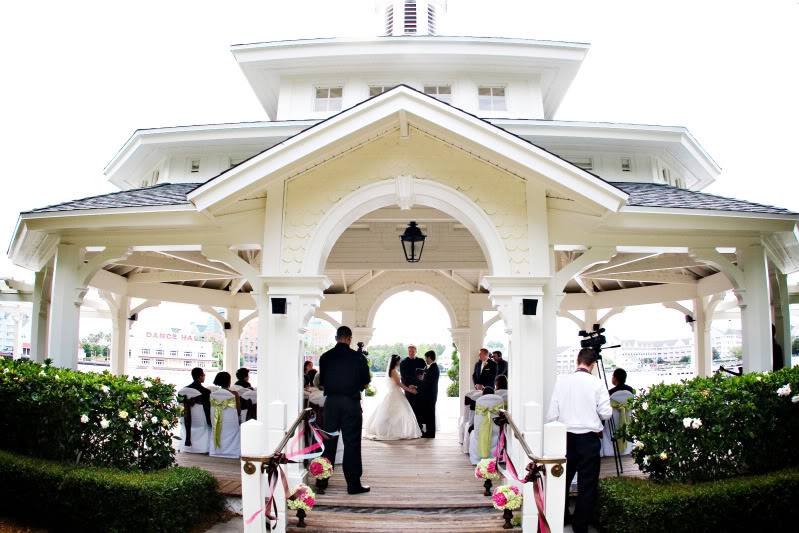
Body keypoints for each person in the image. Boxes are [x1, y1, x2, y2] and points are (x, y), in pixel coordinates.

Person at [546, 348, 612, 533]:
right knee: (587, 483)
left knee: (563, 480)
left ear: (577, 360)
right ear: (593, 365)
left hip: (566, 438)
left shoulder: (561, 381)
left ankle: (562, 516)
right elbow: (606, 413)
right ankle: (580, 525)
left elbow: (552, 414)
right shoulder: (597, 383)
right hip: (589, 439)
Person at [319, 326, 372, 495]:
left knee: (328, 442)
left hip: (331, 403)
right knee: (352, 444)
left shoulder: (325, 357)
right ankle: (353, 484)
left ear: (336, 338)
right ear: (349, 338)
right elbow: (365, 382)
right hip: (351, 403)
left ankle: (322, 480)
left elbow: (321, 382)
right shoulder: (358, 357)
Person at [364, 354, 422, 441]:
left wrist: (409, 386)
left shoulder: (393, 370)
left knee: (396, 413)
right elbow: (399, 384)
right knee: (397, 412)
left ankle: (396, 430)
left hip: (395, 392)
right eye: (399, 361)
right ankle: (392, 431)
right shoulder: (393, 371)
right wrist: (410, 390)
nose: (400, 362)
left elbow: (399, 383)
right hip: (395, 393)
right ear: (396, 361)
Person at [399, 345, 426, 428]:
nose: (411, 353)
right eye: (410, 351)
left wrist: (419, 385)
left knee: (420, 406)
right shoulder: (403, 362)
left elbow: (425, 373)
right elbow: (403, 376)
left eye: (413, 351)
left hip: (419, 388)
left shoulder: (421, 361)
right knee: (410, 406)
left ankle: (420, 425)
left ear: (416, 351)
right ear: (408, 352)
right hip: (409, 388)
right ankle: (411, 426)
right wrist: (409, 386)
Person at [418, 350, 440, 438]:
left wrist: (418, 387)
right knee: (429, 413)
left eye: (426, 358)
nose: (425, 360)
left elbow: (427, 383)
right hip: (430, 394)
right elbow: (426, 381)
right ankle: (429, 432)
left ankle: (430, 433)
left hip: (430, 395)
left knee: (430, 414)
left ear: (429, 358)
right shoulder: (431, 367)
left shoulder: (433, 368)